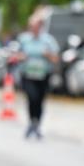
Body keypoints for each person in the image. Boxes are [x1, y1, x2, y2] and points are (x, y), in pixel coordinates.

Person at [14, 9, 59, 139]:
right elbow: (15, 55)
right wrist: (20, 57)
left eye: (37, 26)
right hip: (27, 74)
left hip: (43, 75)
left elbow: (56, 59)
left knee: (39, 100)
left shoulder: (48, 40)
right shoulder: (23, 40)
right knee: (31, 97)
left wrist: (48, 55)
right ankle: (32, 122)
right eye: (32, 26)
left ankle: (36, 124)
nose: (34, 28)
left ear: (41, 26)